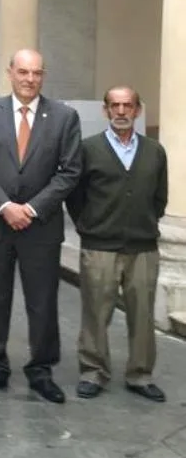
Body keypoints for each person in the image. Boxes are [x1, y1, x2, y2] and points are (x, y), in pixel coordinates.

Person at [0, 48, 82, 403]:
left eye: (36, 73)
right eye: (23, 72)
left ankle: (41, 370)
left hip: (40, 226)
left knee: (43, 301)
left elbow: (70, 171)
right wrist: (4, 206)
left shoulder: (64, 116)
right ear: (10, 73)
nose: (30, 79)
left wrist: (30, 209)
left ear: (43, 76)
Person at [66, 86, 168, 402]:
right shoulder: (88, 149)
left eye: (128, 106)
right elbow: (75, 196)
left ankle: (140, 375)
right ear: (106, 110)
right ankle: (93, 372)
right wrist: (89, 226)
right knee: (96, 312)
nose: (121, 111)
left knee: (142, 314)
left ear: (137, 110)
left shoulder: (154, 151)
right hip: (100, 246)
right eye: (115, 106)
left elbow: (159, 197)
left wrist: (144, 222)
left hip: (142, 247)